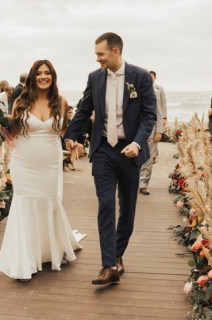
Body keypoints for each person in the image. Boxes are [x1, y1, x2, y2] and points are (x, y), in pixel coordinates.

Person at [64, 32, 156, 285]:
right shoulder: (95, 78)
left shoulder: (140, 76)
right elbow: (84, 109)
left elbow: (149, 116)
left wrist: (138, 143)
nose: (97, 59)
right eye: (96, 55)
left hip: (130, 151)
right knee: (105, 205)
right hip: (103, 149)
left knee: (127, 208)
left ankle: (117, 255)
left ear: (115, 51)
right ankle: (108, 265)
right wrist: (70, 136)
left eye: (100, 54)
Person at [0, 60, 81, 281]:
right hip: (23, 161)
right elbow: (11, 133)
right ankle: (24, 260)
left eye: (47, 73)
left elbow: (62, 131)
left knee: (48, 201)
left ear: (53, 76)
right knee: (25, 203)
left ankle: (50, 250)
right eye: (39, 73)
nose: (43, 77)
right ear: (32, 77)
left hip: (50, 162)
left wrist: (72, 144)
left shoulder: (61, 102)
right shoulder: (21, 102)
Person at [138, 71, 164, 196]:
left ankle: (143, 184)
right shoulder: (136, 89)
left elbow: (159, 112)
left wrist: (159, 130)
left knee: (148, 158)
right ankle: (132, 182)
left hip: (151, 130)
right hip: (135, 130)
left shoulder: (156, 92)